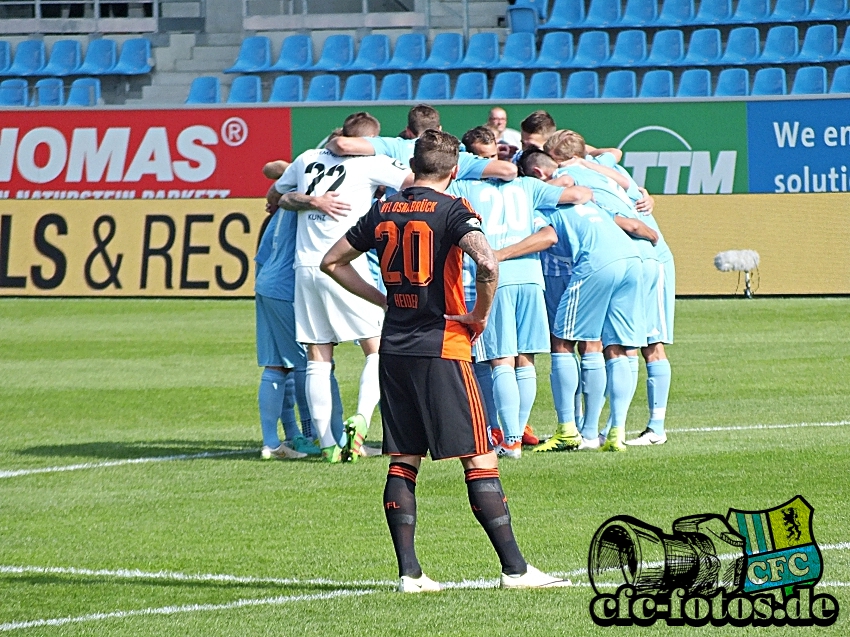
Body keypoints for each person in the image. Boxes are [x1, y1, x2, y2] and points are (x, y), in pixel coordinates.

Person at [321, 129, 571, 592]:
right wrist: (478, 316)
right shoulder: (454, 209)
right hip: (443, 346)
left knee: (403, 459)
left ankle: (409, 573)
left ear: (413, 165)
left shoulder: (384, 208)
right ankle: (516, 570)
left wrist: (382, 299)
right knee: (479, 457)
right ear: (454, 171)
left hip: (395, 346)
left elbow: (332, 262)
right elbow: (489, 264)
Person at [268, 113, 413, 463]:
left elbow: (277, 194)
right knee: (377, 348)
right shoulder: (371, 163)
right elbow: (414, 182)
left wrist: (310, 200)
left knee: (318, 355)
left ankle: (329, 444)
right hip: (345, 264)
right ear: (367, 142)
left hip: (305, 268)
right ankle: (361, 422)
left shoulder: (306, 159)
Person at [452, 127, 592, 458]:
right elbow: (578, 193)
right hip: (531, 278)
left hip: (492, 279)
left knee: (500, 359)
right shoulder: (528, 187)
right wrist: (554, 183)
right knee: (525, 359)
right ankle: (516, 434)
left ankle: (510, 439)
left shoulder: (464, 186)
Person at [510, 150, 651, 453]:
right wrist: (652, 236)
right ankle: (614, 431)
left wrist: (500, 254)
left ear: (534, 176)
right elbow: (630, 224)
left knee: (562, 342)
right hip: (631, 259)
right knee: (610, 347)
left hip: (597, 263)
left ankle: (570, 431)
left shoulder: (541, 202)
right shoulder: (586, 198)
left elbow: (546, 237)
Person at [545, 131, 673, 447]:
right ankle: (613, 429)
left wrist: (644, 229)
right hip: (632, 255)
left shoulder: (569, 178)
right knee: (618, 343)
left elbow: (628, 222)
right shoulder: (599, 164)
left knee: (649, 342)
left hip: (646, 253)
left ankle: (654, 426)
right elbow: (614, 152)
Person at [325, 104, 518, 183]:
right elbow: (507, 171)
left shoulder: (395, 146)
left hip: (399, 227)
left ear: (409, 131)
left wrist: (328, 147)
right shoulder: (456, 155)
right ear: (440, 129)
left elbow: (342, 145)